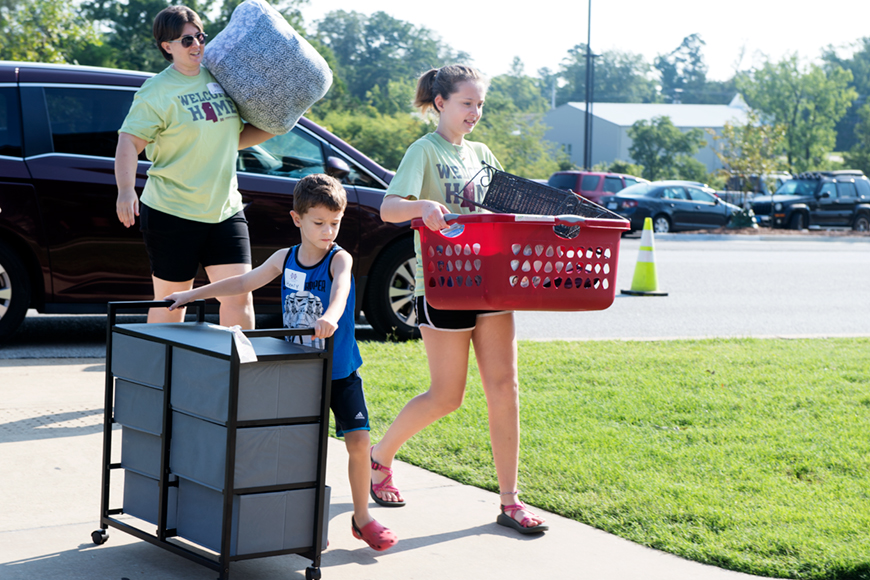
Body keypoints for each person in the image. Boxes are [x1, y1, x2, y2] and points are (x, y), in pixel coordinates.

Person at [164, 174, 398, 552]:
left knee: (358, 443)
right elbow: (243, 283)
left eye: (335, 223)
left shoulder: (340, 258)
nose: (328, 231)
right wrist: (191, 295)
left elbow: (340, 292)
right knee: (303, 448)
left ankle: (362, 517)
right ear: (297, 219)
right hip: (300, 374)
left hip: (339, 372)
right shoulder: (284, 258)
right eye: (319, 223)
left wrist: (333, 317)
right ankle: (304, 522)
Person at [374, 65, 548, 535]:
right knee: (448, 396)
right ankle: (381, 455)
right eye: (467, 103)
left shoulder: (482, 154)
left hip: (491, 283)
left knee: (504, 388)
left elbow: (499, 213)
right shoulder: (423, 151)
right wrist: (422, 207)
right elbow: (389, 208)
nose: (475, 112)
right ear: (440, 104)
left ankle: (510, 502)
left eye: (480, 104)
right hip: (444, 285)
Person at [114, 5, 274, 328]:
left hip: (225, 211)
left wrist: (277, 122)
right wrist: (126, 190)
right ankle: (158, 377)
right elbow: (129, 143)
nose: (197, 45)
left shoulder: (219, 77)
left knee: (239, 296)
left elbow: (234, 137)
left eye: (200, 36)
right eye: (186, 40)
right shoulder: (156, 91)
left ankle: (240, 376)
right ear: (167, 46)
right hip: (172, 213)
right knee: (173, 304)